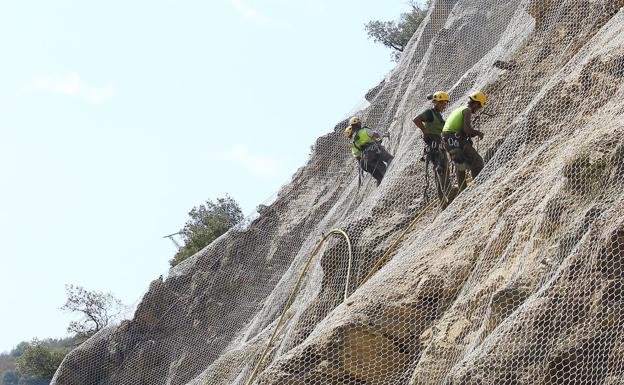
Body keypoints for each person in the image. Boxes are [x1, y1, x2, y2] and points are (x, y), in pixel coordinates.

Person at [413, 91, 452, 208]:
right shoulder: (430, 113)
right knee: (442, 170)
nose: (444, 106)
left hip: (438, 145)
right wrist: (424, 131)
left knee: (440, 172)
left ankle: (443, 202)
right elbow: (416, 119)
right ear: (438, 102)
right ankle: (450, 196)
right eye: (443, 103)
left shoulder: (437, 115)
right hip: (435, 146)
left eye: (445, 104)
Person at [442, 91, 486, 192]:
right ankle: (480, 185)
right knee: (477, 161)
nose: (478, 110)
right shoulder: (467, 111)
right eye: (479, 107)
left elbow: (461, 129)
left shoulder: (459, 109)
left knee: (460, 165)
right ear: (475, 103)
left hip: (448, 140)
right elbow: (467, 130)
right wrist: (478, 133)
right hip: (455, 139)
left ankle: (462, 191)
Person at [344, 116, 394, 186]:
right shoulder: (364, 131)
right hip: (377, 151)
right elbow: (377, 135)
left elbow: (359, 155)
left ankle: (385, 184)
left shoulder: (354, 142)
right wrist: (384, 134)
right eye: (359, 122)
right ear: (358, 124)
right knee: (390, 159)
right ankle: (394, 174)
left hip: (368, 159)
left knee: (383, 169)